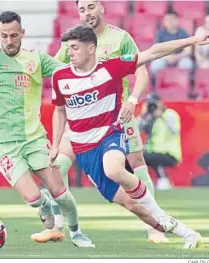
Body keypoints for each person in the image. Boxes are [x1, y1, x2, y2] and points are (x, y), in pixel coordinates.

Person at [50, 25, 209, 248]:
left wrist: (194, 39)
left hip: (110, 135)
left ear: (91, 49)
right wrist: (55, 144)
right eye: (68, 48)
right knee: (133, 206)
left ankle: (157, 210)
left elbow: (154, 52)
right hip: (84, 150)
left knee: (114, 169)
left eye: (74, 48)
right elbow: (60, 111)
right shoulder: (60, 77)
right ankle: (187, 233)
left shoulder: (110, 68)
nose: (69, 53)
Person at [0, 11, 94, 247]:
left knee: (61, 192)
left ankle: (76, 232)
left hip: (34, 138)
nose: (9, 41)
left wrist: (91, 67)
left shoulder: (35, 59)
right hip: (3, 144)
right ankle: (43, 206)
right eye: (4, 36)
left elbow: (67, 72)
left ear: (22, 34)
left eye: (14, 35)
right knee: (34, 198)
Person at [43, 0, 166, 243]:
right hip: (79, 118)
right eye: (81, 9)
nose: (86, 13)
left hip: (116, 115)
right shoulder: (73, 41)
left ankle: (155, 227)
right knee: (57, 166)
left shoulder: (120, 38)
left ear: (101, 7)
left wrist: (132, 100)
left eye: (90, 7)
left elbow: (141, 70)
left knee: (136, 162)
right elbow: (54, 69)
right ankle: (57, 225)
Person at [138, 93, 182, 190]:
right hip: (154, 151)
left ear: (160, 103)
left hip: (170, 153)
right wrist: (143, 115)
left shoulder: (170, 114)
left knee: (149, 157)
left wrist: (161, 116)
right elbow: (137, 130)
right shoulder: (150, 117)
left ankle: (162, 180)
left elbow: (175, 131)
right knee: (138, 157)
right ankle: (156, 181)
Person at [150, 9, 194, 82]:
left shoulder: (183, 33)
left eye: (172, 19)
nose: (169, 22)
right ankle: (155, 90)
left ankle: (183, 87)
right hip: (164, 57)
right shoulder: (160, 33)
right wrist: (168, 57)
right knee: (155, 65)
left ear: (177, 20)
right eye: (167, 20)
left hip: (180, 57)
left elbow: (189, 51)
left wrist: (177, 57)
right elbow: (157, 50)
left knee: (187, 64)